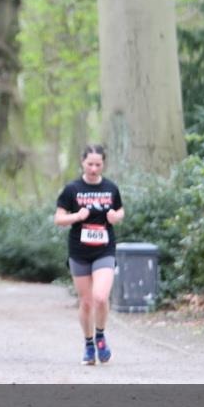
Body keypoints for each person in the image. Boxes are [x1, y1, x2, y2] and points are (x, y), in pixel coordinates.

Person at [54, 144, 124, 365]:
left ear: (103, 164)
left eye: (98, 164)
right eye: (90, 164)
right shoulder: (72, 189)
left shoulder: (111, 188)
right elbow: (58, 218)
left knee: (101, 297)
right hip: (79, 252)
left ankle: (100, 336)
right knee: (86, 303)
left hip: (104, 249)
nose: (94, 168)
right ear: (82, 163)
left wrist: (115, 216)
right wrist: (76, 216)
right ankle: (88, 344)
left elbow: (120, 210)